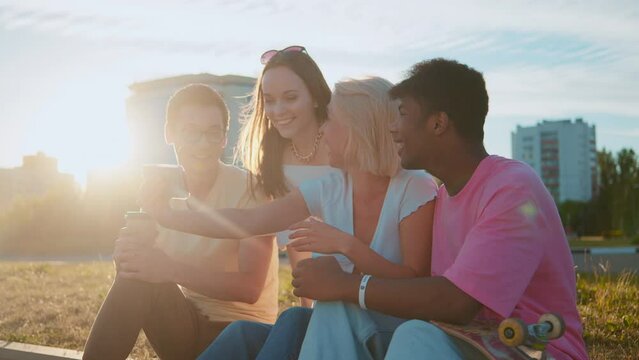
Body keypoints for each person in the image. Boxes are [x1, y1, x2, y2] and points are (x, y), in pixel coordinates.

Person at [288, 59, 589, 359]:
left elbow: (457, 303)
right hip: (459, 342)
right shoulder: (441, 198)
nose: (392, 128)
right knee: (339, 309)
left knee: (414, 334)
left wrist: (347, 284)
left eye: (402, 114)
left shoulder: (512, 189)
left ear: (438, 123)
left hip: (530, 348)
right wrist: (339, 287)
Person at [140, 76, 437, 360]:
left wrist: (348, 247)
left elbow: (413, 284)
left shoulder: (415, 186)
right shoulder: (331, 187)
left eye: (331, 120)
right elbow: (248, 222)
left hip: (389, 334)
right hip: (334, 327)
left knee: (307, 316)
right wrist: (167, 216)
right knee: (255, 330)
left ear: (359, 130)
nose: (322, 130)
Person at [82, 84, 279, 360]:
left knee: (147, 276)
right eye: (191, 132)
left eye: (213, 132)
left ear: (224, 138)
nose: (203, 143)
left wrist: (168, 268)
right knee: (134, 279)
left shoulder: (250, 189)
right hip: (186, 325)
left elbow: (250, 288)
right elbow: (141, 270)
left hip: (242, 335)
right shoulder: (159, 191)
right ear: (169, 134)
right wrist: (127, 258)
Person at [236, 45, 339, 307]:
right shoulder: (273, 157)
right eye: (269, 100)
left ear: (315, 96)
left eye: (290, 97)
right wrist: (308, 312)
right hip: (317, 296)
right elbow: (297, 247)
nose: (277, 110)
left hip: (362, 285)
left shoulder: (343, 141)